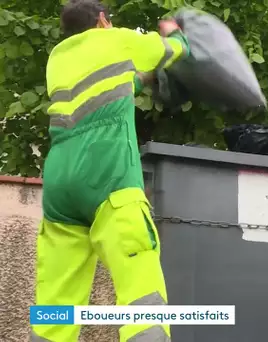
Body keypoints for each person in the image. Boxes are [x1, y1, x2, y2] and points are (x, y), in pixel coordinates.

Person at [31, 1, 190, 341]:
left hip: (59, 184)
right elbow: (174, 53)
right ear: (103, 20)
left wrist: (140, 80)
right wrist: (175, 33)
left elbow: (105, 88)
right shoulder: (115, 39)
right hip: (108, 175)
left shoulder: (57, 60)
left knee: (55, 307)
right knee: (140, 291)